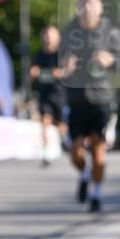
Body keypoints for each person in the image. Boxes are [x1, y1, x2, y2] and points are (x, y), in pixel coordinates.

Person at [59, 0, 120, 213]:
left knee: (98, 152)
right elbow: (59, 64)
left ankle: (96, 194)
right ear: (78, 7)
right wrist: (64, 67)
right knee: (75, 153)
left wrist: (111, 60)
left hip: (102, 99)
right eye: (83, 3)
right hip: (77, 99)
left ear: (100, 7)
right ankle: (85, 173)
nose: (87, 7)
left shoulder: (111, 34)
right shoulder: (69, 32)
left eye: (92, 2)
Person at [29, 25, 67, 166]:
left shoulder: (61, 54)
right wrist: (33, 73)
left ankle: (64, 141)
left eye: (50, 35)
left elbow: (66, 71)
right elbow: (33, 71)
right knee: (44, 121)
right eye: (45, 35)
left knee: (60, 124)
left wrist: (60, 72)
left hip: (59, 94)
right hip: (44, 93)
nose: (47, 38)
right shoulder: (39, 55)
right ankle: (46, 152)